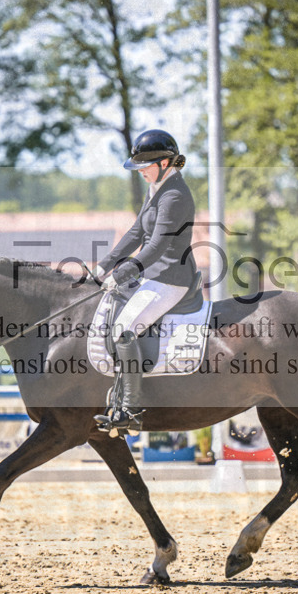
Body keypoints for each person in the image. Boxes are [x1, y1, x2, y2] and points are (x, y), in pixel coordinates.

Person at [93, 129, 198, 434]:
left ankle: (131, 408)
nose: (140, 172)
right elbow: (137, 233)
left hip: (170, 278)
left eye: (144, 167)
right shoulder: (158, 188)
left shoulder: (175, 195)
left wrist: (123, 272)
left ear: (165, 163)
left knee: (124, 329)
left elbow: (157, 246)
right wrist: (104, 266)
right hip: (153, 275)